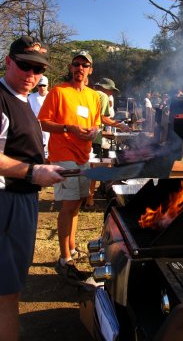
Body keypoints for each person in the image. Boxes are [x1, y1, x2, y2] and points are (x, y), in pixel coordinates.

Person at [0, 35, 65, 341]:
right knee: (6, 294)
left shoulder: (22, 100)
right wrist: (31, 171)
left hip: (22, 201)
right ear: (8, 61)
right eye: (24, 66)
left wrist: (44, 165)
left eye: (38, 70)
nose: (31, 75)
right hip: (6, 202)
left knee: (11, 288)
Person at [38, 50, 101, 281]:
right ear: (71, 67)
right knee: (69, 204)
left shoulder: (94, 96)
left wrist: (93, 132)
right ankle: (64, 260)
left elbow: (96, 122)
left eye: (85, 65)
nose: (80, 68)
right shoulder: (58, 91)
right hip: (63, 154)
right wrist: (68, 128)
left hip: (84, 154)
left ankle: (72, 248)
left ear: (90, 70)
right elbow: (43, 122)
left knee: (77, 205)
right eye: (76, 64)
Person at [85, 79, 130, 210]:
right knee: (94, 169)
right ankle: (89, 201)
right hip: (94, 138)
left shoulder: (87, 93)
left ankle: (82, 198)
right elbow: (103, 118)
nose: (112, 93)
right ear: (106, 88)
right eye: (111, 90)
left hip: (83, 136)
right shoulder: (102, 96)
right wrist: (120, 125)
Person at [28, 75, 50, 159]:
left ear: (47, 85)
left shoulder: (52, 96)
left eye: (44, 85)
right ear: (37, 86)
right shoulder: (31, 97)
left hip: (48, 128)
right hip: (35, 126)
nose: (42, 87)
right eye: (40, 85)